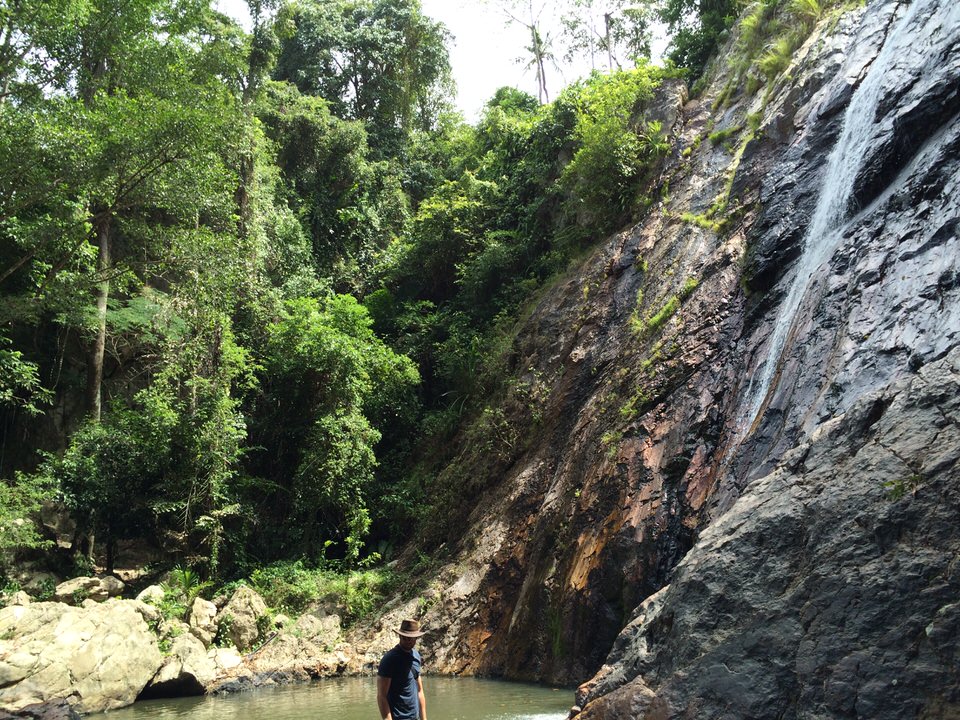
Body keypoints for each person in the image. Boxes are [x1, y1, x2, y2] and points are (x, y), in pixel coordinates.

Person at [377, 619, 428, 720]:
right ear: (400, 636)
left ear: (416, 638)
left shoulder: (416, 656)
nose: (408, 641)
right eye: (405, 638)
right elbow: (381, 696)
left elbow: (420, 691)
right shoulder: (390, 659)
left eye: (411, 638)